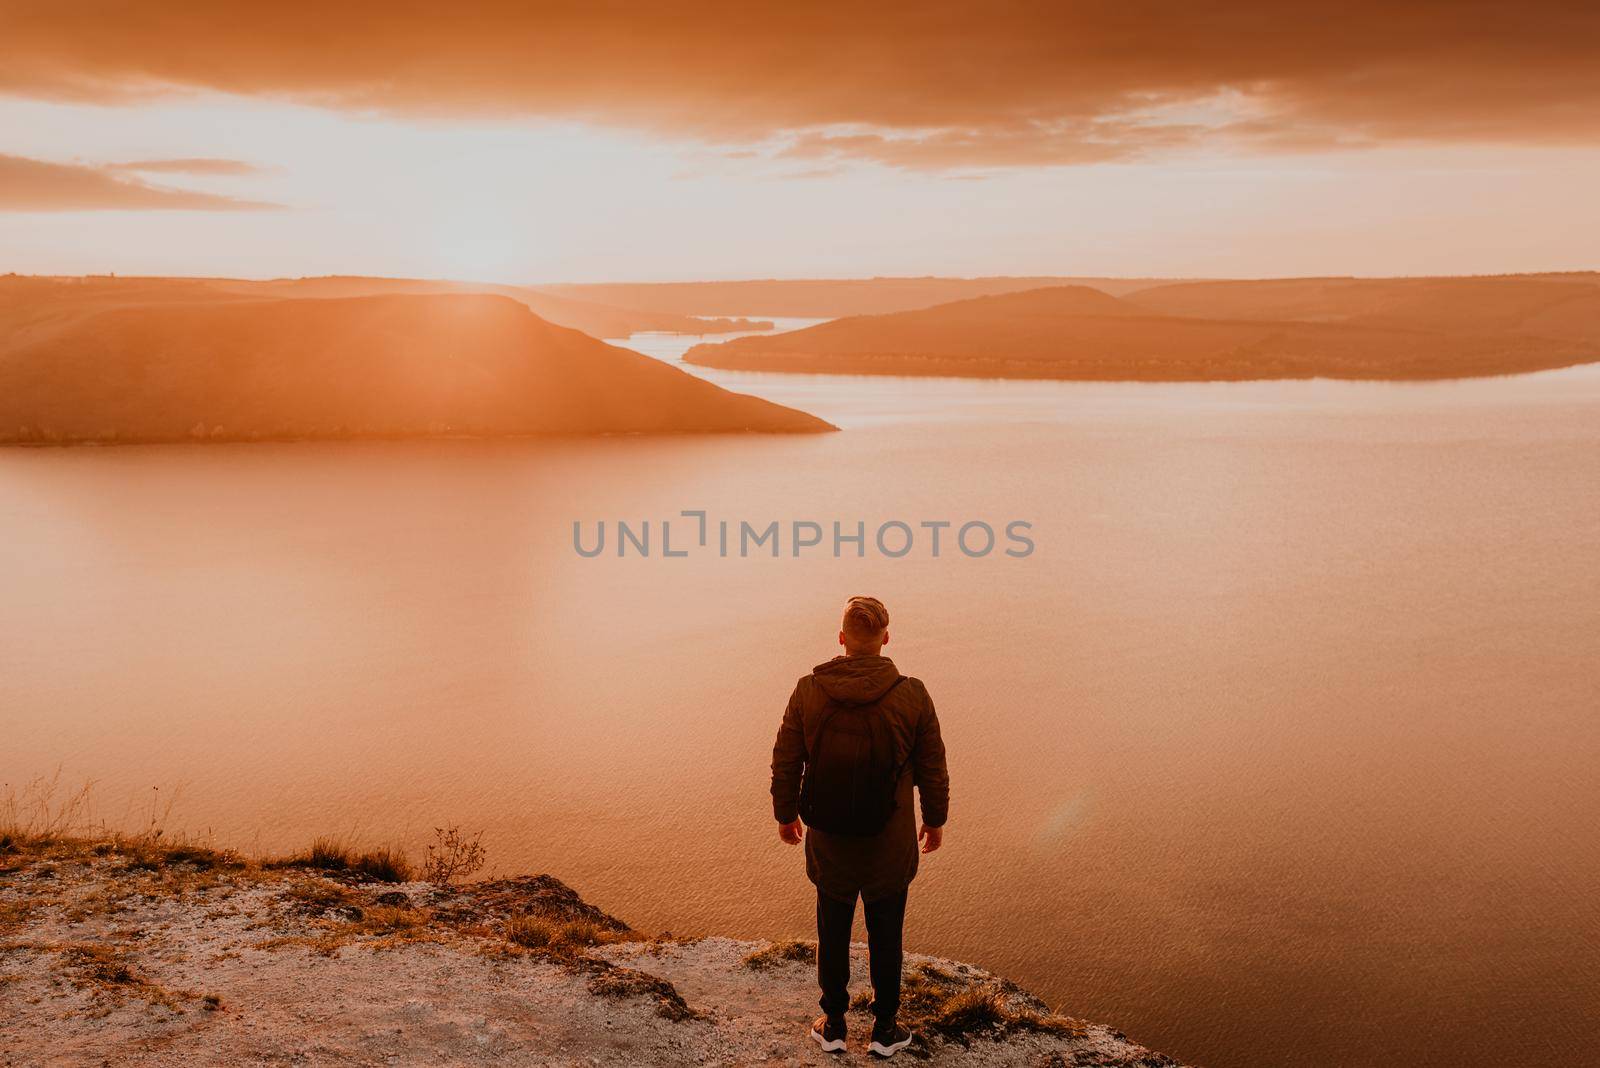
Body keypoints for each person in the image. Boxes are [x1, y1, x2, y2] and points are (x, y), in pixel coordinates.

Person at [770, 595, 950, 1058]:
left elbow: (787, 759)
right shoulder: (911, 694)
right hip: (888, 845)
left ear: (842, 639)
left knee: (832, 932)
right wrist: (935, 820)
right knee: (886, 936)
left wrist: (786, 814)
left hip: (829, 841)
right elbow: (933, 766)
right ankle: (885, 1030)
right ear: (885, 639)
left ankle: (832, 1025)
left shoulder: (810, 689)